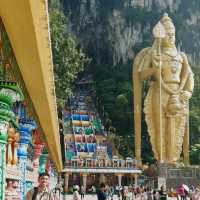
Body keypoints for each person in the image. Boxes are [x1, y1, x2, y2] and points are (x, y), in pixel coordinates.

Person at [133, 13, 194, 163]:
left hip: (178, 95)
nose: (171, 36)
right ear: (161, 36)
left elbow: (190, 76)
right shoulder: (153, 54)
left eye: (173, 33)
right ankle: (161, 160)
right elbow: (141, 75)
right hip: (159, 92)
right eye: (168, 34)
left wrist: (188, 91)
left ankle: (174, 159)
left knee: (177, 128)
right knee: (159, 127)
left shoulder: (182, 56)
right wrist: (154, 69)